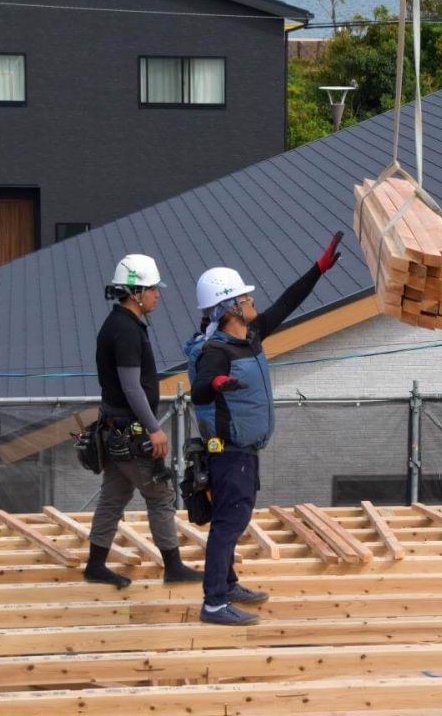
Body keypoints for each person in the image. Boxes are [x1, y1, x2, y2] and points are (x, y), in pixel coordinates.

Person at [185, 232, 344, 626]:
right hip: (229, 450)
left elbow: (288, 302)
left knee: (235, 516)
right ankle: (214, 603)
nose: (252, 301)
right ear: (228, 309)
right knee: (229, 522)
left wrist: (318, 270)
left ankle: (227, 582)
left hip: (245, 449)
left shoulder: (250, 337)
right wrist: (217, 384)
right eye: (244, 298)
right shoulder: (217, 352)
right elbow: (200, 386)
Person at [84, 254, 203, 589]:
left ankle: (95, 565)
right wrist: (153, 427)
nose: (157, 294)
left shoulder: (120, 324)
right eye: (152, 288)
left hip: (115, 430)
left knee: (113, 495)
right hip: (131, 433)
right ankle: (174, 567)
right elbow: (131, 386)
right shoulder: (125, 331)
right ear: (135, 292)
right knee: (160, 495)